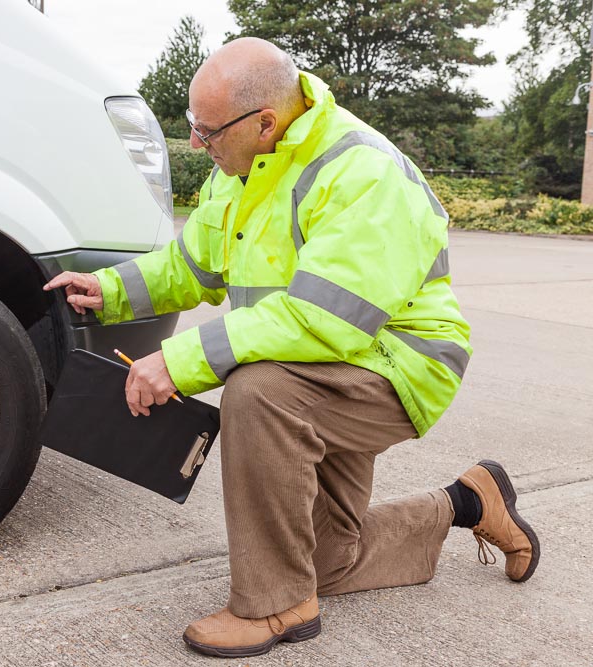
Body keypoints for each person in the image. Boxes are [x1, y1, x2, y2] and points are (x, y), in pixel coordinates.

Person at [44, 38, 539, 658]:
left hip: (394, 364)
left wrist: (179, 362)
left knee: (258, 393)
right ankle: (469, 500)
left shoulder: (361, 172)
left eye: (206, 129)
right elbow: (192, 264)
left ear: (265, 121)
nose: (196, 142)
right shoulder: (244, 169)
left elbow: (322, 317)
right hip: (317, 368)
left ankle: (276, 607)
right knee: (328, 560)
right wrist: (107, 290)